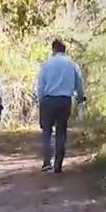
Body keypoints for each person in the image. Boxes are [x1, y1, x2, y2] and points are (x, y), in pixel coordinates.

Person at [33, 39, 86, 173]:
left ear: (53, 49)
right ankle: (58, 164)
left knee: (47, 132)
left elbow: (40, 85)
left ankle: (46, 162)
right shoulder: (72, 65)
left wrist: (41, 100)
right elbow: (78, 84)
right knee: (61, 131)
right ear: (64, 49)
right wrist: (80, 98)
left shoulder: (46, 65)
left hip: (48, 100)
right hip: (64, 100)